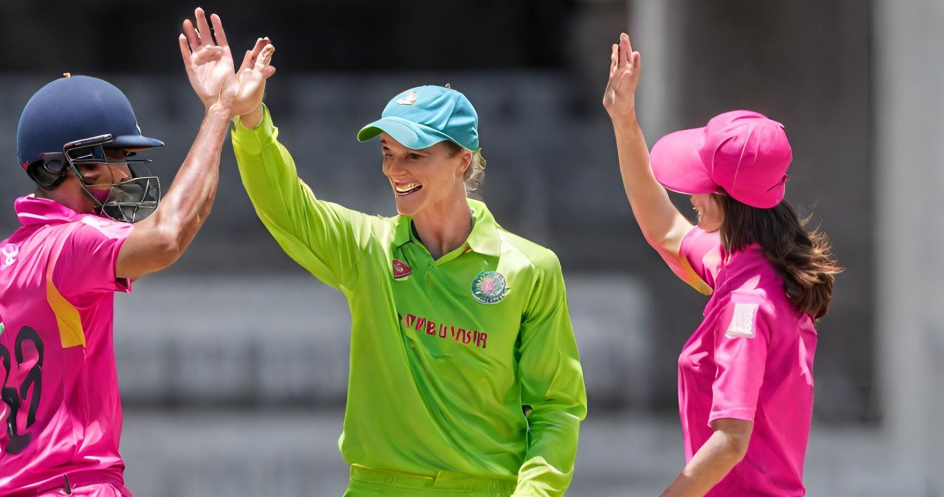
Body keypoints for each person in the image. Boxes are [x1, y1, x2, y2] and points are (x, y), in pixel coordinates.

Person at [219, 39, 587, 495]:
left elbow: (555, 406)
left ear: (462, 161)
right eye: (388, 153)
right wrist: (251, 120)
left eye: (414, 155)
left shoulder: (531, 268)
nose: (396, 169)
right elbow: (287, 207)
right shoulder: (366, 246)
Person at [0, 9, 273, 496]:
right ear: (69, 162)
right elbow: (168, 235)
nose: (126, 176)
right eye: (116, 159)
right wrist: (220, 111)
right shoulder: (73, 241)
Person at [602, 33, 843, 497]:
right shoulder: (752, 266)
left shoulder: (746, 306)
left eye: (698, 183)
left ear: (725, 201)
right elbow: (663, 229)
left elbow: (731, 441)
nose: (689, 194)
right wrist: (625, 121)